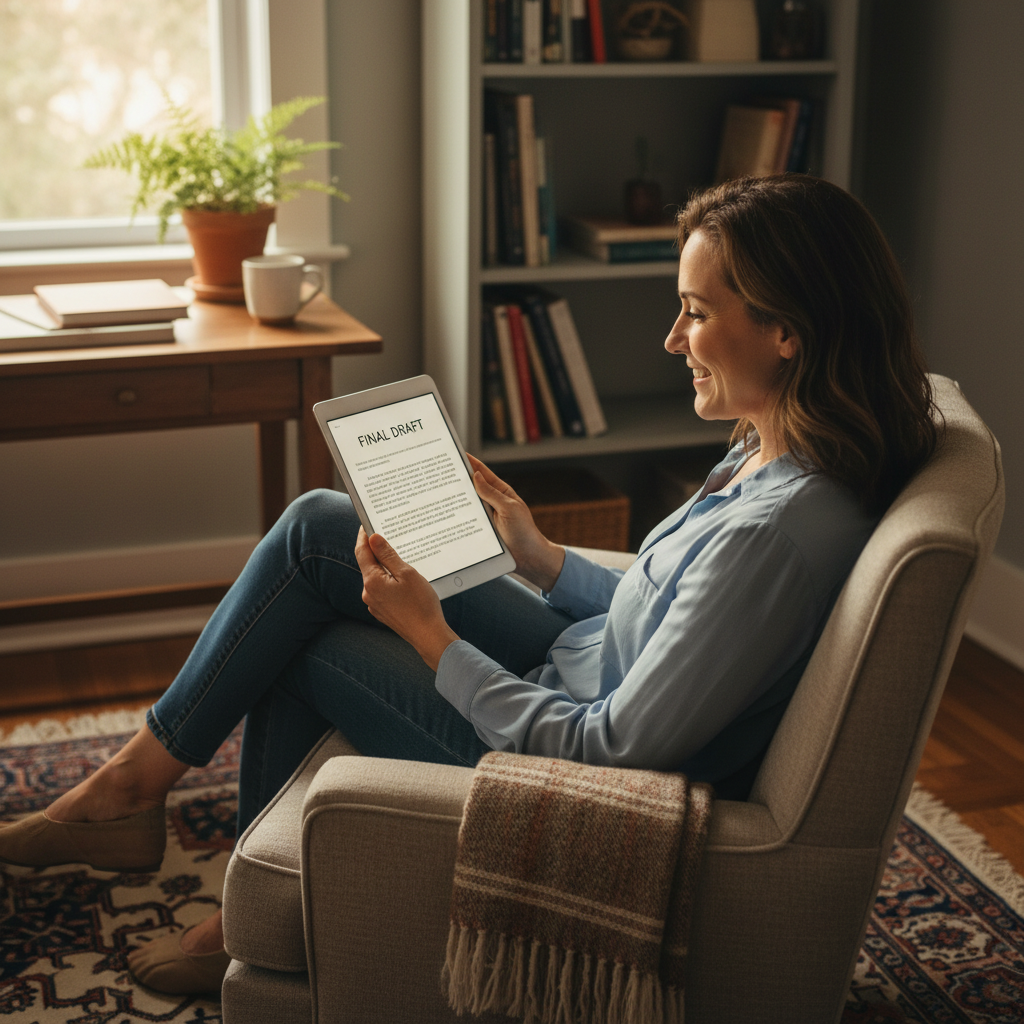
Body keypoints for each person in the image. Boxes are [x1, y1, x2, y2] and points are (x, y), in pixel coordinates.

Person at [0, 174, 937, 995]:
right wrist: (537, 557)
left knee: (311, 637)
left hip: (561, 759)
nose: (670, 338)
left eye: (695, 310)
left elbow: (612, 756)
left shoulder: (777, 534)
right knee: (325, 527)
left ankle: (229, 899)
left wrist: (431, 639)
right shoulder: (767, 454)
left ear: (785, 331)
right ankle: (137, 788)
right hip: (571, 667)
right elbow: (677, 623)